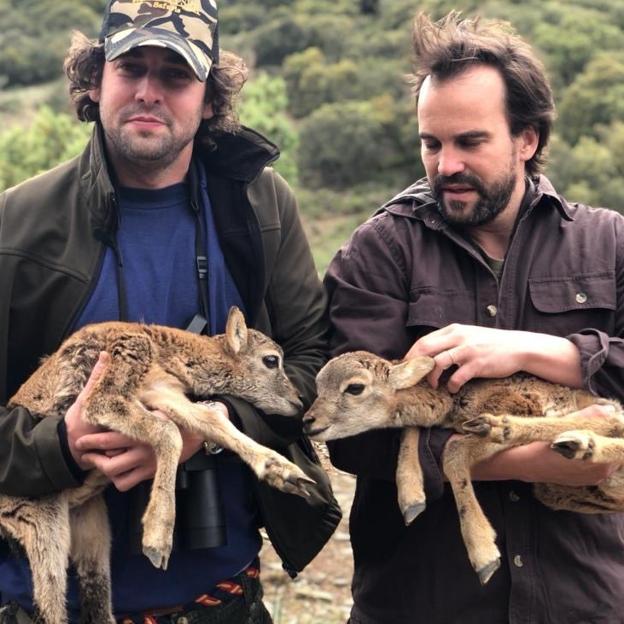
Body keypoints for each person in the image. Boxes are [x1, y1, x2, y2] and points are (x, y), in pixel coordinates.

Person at [0, 1, 341, 622]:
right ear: (95, 79)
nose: (149, 92)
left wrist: (199, 434)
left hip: (222, 598)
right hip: (44, 602)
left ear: (210, 98)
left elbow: (310, 365)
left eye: (177, 75)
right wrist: (62, 446)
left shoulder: (259, 206)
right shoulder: (16, 226)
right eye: (131, 68)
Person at [325, 11, 624, 624]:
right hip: (425, 603)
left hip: (582, 600)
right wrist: (529, 456)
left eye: (470, 142)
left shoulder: (607, 243)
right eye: (431, 144)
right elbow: (354, 436)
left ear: (527, 139)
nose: (446, 165)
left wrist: (533, 350)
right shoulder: (379, 252)